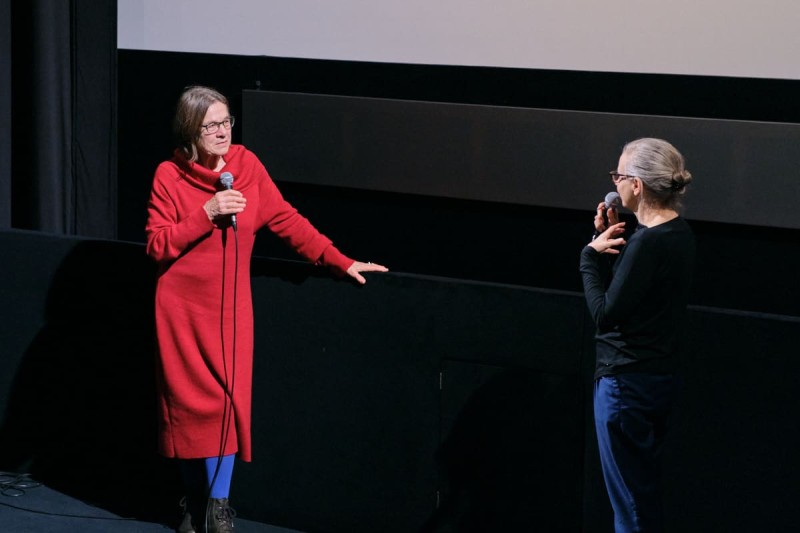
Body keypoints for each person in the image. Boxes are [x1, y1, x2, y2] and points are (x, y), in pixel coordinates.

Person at [145, 85, 388, 533]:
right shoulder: (169, 175)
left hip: (230, 312)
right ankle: (195, 502)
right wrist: (206, 213)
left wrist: (339, 260)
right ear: (190, 131)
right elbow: (157, 246)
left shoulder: (247, 166)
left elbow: (285, 219)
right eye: (211, 125)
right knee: (189, 410)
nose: (223, 132)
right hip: (181, 311)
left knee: (224, 405)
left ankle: (217, 507)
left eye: (226, 121)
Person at [579, 138, 695, 533]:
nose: (614, 182)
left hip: (625, 386)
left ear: (637, 185)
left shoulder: (647, 244)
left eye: (619, 175)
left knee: (631, 506)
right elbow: (636, 299)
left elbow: (605, 314)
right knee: (640, 498)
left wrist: (589, 257)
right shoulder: (678, 233)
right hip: (656, 379)